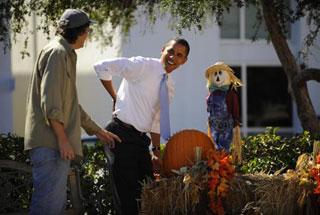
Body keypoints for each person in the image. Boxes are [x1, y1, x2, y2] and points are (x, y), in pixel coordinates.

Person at [24, 9, 121, 215]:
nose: (88, 36)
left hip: (53, 145)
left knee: (53, 208)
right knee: (47, 209)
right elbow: (51, 102)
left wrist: (99, 132)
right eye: (87, 31)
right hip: (51, 145)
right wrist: (63, 140)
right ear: (79, 32)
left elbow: (70, 105)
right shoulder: (58, 53)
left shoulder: (64, 53)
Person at [93, 37, 190, 214]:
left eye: (179, 55)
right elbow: (101, 67)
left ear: (184, 61)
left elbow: (156, 121)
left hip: (140, 141)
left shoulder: (169, 86)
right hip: (120, 134)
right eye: (170, 51)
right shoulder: (142, 66)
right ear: (162, 49)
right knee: (126, 199)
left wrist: (156, 152)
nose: (172, 57)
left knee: (147, 192)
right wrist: (115, 97)